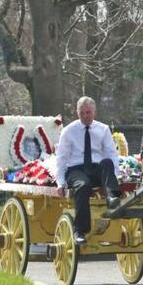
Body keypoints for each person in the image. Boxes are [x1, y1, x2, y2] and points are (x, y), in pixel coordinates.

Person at [56, 96, 122, 244]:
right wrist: (60, 182)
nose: (85, 116)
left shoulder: (103, 129)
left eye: (88, 112)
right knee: (83, 185)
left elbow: (111, 154)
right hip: (76, 169)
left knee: (107, 162)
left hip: (96, 168)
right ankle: (80, 230)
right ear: (77, 113)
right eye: (82, 113)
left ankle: (112, 197)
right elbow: (61, 158)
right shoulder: (69, 131)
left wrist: (114, 177)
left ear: (95, 113)